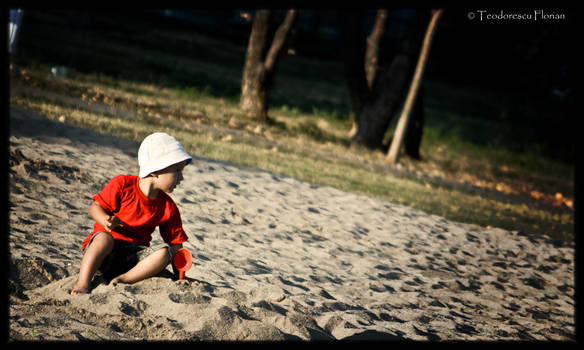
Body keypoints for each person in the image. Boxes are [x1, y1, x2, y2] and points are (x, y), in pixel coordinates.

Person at [70, 132, 193, 295]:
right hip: (105, 252)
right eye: (177, 171)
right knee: (103, 238)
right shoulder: (122, 184)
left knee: (165, 253)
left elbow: (176, 245)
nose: (181, 177)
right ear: (156, 169)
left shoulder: (168, 206)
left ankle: (123, 279)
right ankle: (83, 283)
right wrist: (105, 220)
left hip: (134, 261)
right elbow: (95, 207)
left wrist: (180, 276)